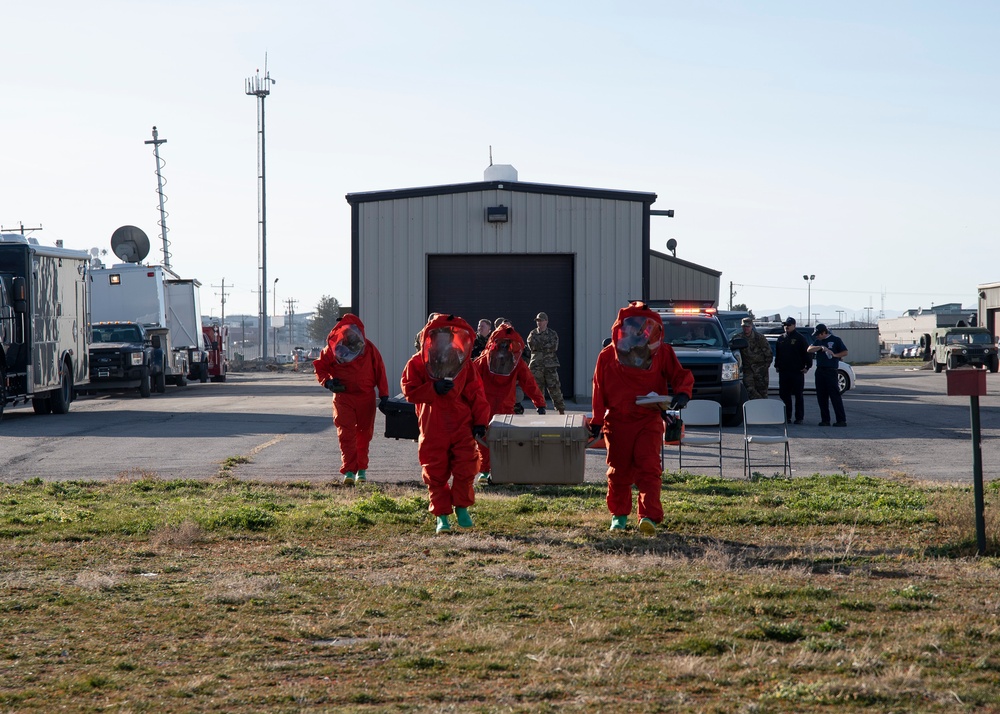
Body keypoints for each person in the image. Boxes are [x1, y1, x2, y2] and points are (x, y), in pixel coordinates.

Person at [590, 301, 694, 535]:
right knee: (618, 470)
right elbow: (598, 389)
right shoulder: (607, 356)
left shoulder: (662, 351)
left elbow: (680, 375)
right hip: (617, 421)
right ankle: (619, 516)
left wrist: (683, 393)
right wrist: (597, 421)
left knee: (649, 467)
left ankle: (649, 516)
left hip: (648, 419)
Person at [402, 313, 491, 534]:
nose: (443, 340)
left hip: (461, 423)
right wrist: (432, 390)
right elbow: (409, 391)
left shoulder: (463, 362)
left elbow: (477, 394)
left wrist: (480, 422)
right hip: (433, 425)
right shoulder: (417, 362)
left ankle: (462, 508)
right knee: (435, 471)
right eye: (439, 336)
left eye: (446, 336)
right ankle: (442, 516)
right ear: (430, 338)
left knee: (466, 466)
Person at [313, 315, 389, 485]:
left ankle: (361, 470)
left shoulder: (369, 349)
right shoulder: (332, 349)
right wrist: (328, 382)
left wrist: (384, 395)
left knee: (364, 434)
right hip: (343, 397)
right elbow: (320, 367)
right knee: (346, 434)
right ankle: (348, 470)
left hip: (365, 397)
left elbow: (380, 370)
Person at [471, 324, 547, 485]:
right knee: (485, 440)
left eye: (507, 345)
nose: (503, 349)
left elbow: (529, 382)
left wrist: (539, 402)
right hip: (486, 407)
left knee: (504, 441)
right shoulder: (484, 361)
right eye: (501, 345)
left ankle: (501, 471)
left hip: (503, 407)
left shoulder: (514, 363)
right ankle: (485, 470)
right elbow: (469, 380)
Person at [808, 324, 848, 427]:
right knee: (821, 397)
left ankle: (841, 420)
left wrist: (835, 355)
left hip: (831, 370)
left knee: (835, 396)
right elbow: (809, 349)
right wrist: (821, 347)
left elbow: (845, 352)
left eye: (818, 334)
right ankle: (825, 419)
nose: (817, 336)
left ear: (824, 332)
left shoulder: (836, 340)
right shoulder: (819, 342)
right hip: (820, 371)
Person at [774, 317, 812, 424]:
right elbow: (778, 354)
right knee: (784, 394)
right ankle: (787, 417)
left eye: (789, 325)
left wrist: (807, 366)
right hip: (784, 371)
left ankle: (799, 417)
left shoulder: (800, 338)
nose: (787, 327)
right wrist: (777, 365)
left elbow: (807, 353)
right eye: (785, 325)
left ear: (794, 325)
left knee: (798, 395)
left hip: (797, 371)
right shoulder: (781, 338)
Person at [527, 311, 566, 415]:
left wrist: (541, 346)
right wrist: (545, 346)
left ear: (546, 321)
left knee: (555, 388)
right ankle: (541, 409)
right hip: (536, 366)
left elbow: (554, 346)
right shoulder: (533, 333)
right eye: (537, 321)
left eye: (541, 320)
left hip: (550, 366)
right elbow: (532, 346)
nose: (539, 322)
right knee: (538, 390)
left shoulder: (552, 334)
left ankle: (560, 410)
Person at [739, 317, 773, 399]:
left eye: (748, 326)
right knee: (750, 390)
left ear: (751, 326)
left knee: (762, 392)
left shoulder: (760, 338)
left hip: (760, 370)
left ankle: (763, 407)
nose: (746, 328)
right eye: (744, 327)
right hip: (747, 369)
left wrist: (765, 367)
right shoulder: (738, 338)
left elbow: (768, 353)